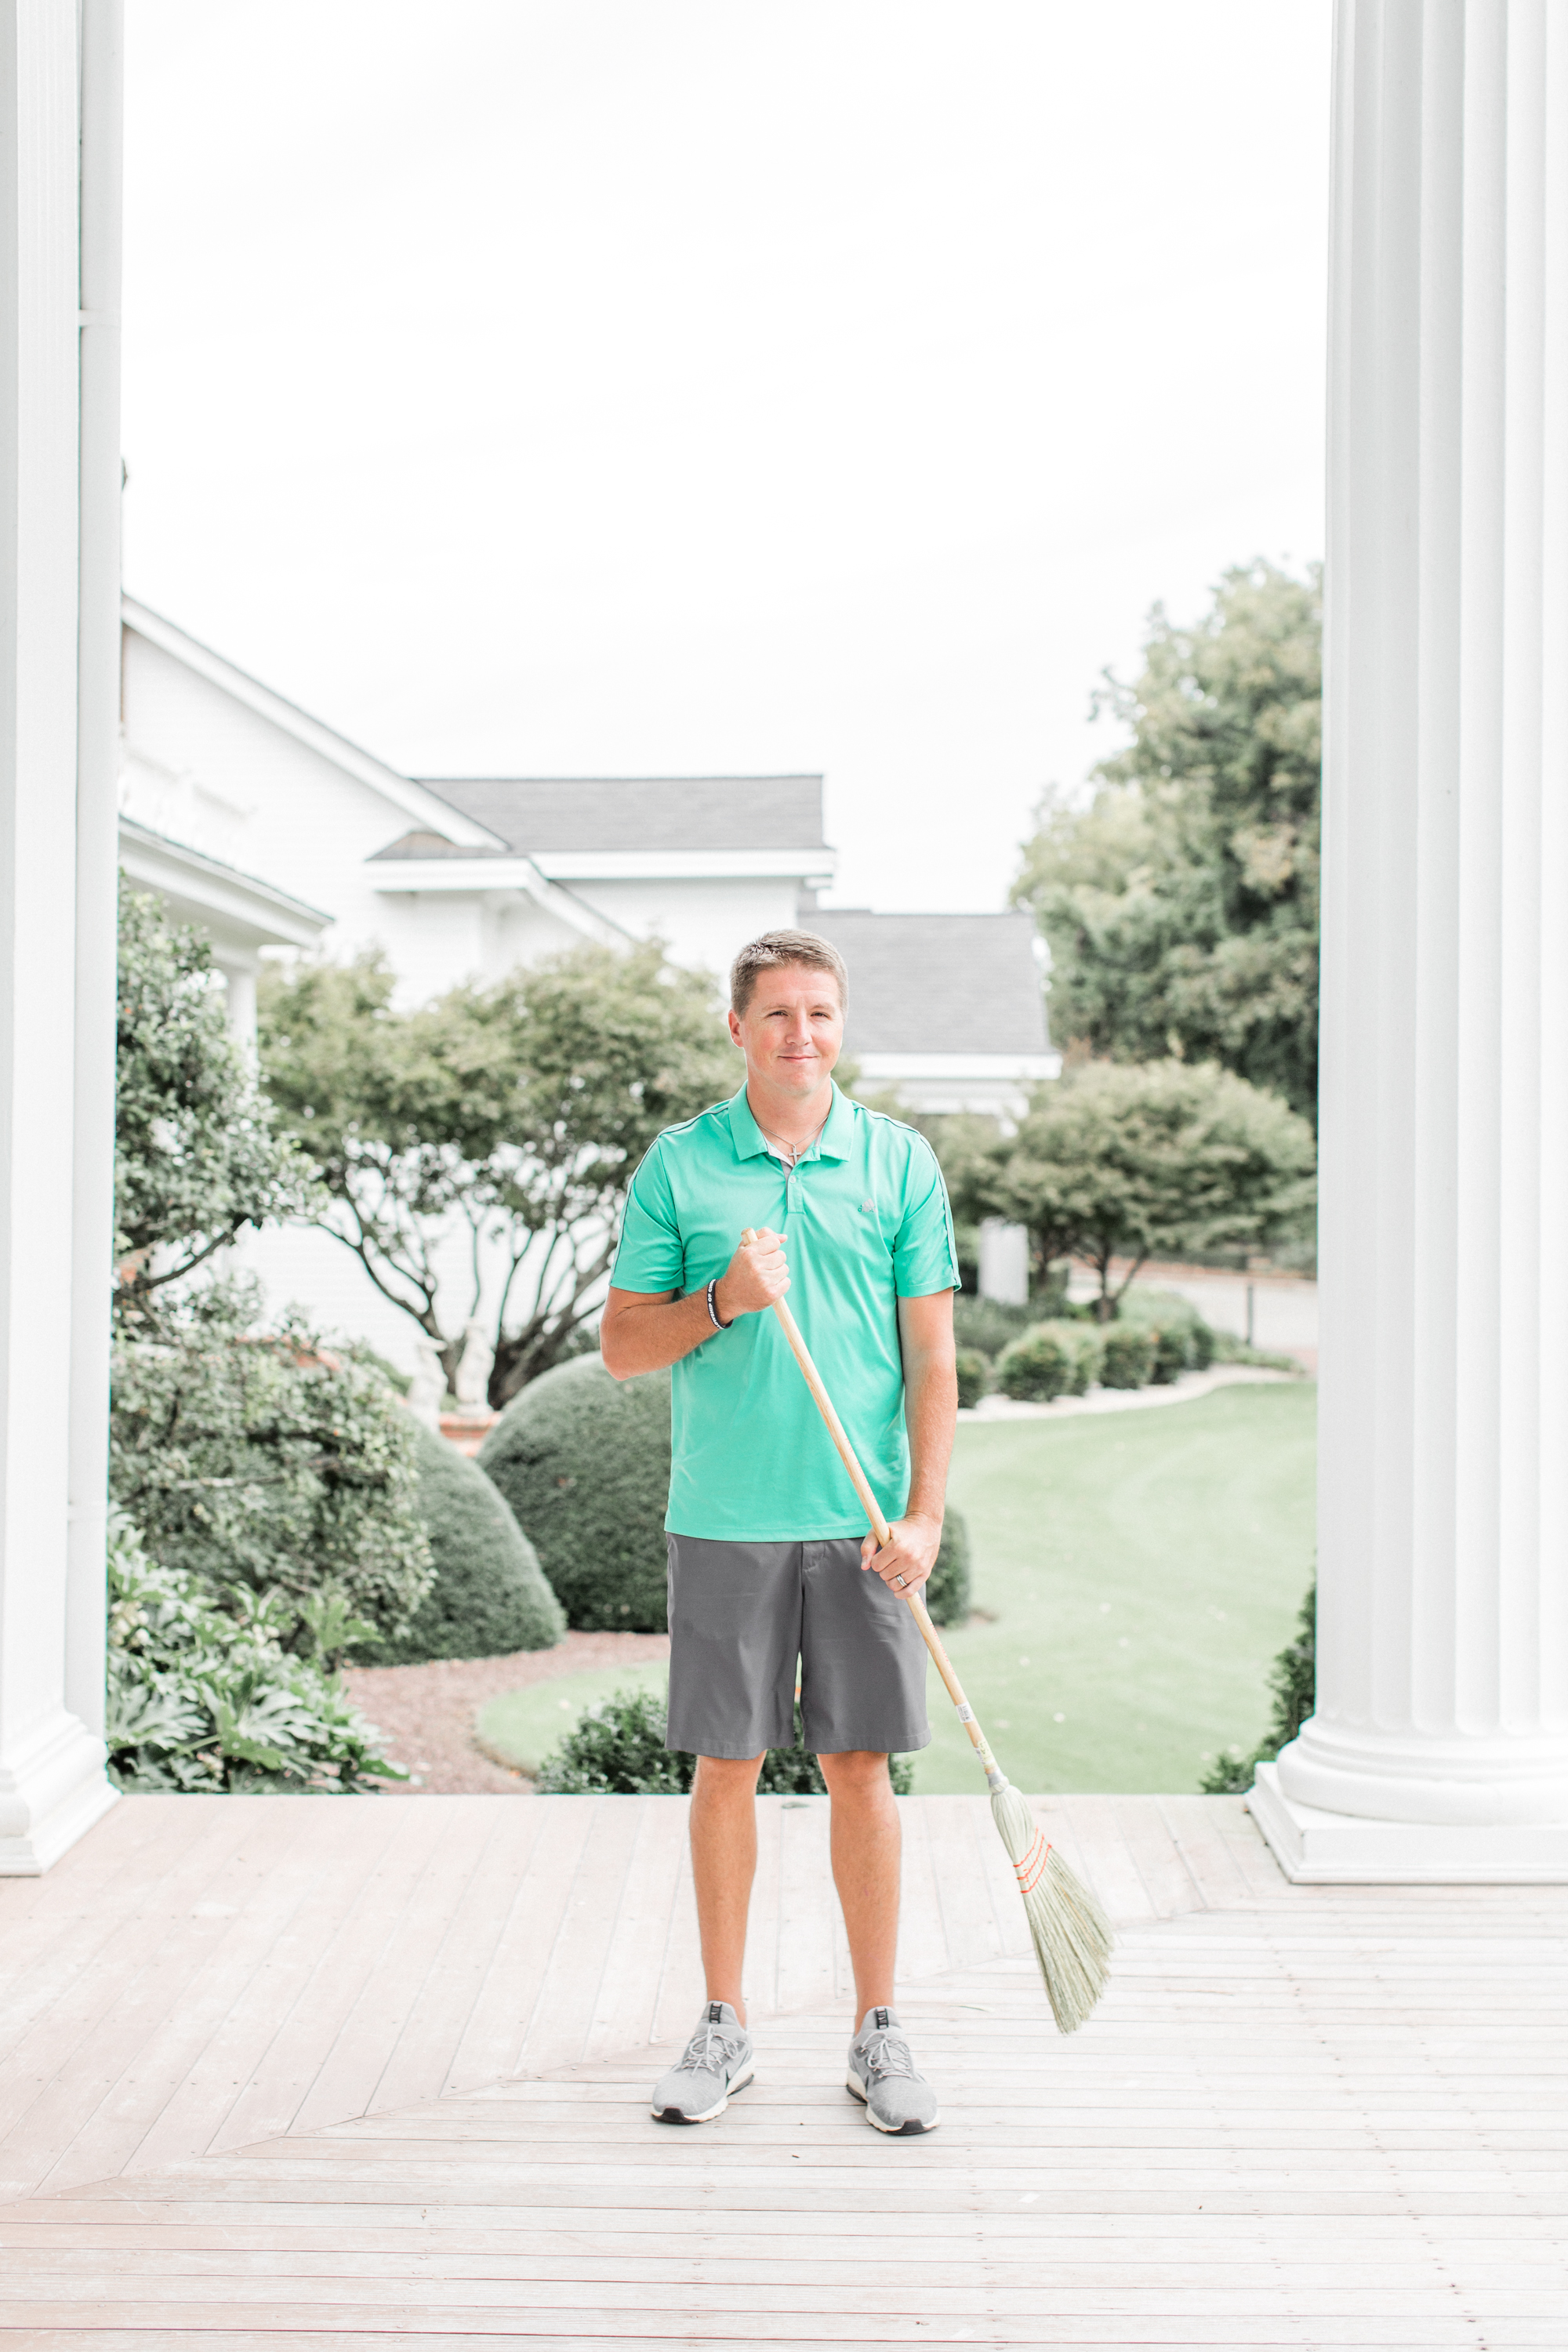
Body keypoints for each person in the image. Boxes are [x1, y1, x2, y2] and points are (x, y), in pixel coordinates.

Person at [601, 927, 960, 2136]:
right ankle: (723, 2024)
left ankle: (878, 2031)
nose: (801, 1034)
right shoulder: (681, 1167)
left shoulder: (898, 1163)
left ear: (839, 1024)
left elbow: (933, 1360)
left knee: (863, 1768)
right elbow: (623, 1346)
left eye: (820, 1012)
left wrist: (924, 1514)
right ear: (738, 1029)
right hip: (727, 1518)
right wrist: (724, 1299)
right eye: (777, 1013)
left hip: (863, 1523)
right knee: (727, 1764)